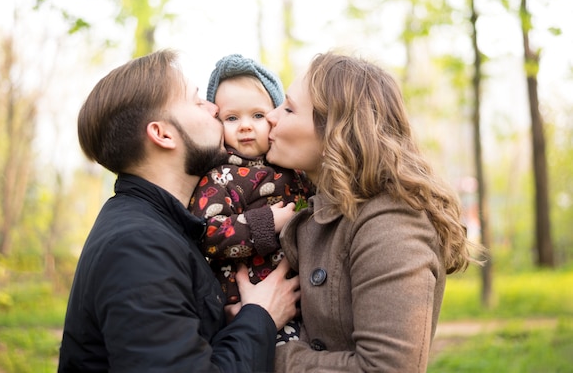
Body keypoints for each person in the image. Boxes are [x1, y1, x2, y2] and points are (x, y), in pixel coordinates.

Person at [57, 49, 300, 373]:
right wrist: (261, 316)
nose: (214, 109)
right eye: (198, 101)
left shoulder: (163, 227)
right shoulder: (137, 249)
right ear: (163, 134)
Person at [264, 51, 480, 372]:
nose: (271, 116)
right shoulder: (318, 209)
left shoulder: (392, 221)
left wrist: (260, 351)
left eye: (290, 108)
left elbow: (388, 368)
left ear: (334, 130)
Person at [188, 54, 313, 346]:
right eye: (232, 118)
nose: (245, 126)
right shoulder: (219, 177)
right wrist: (267, 223)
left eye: (257, 115)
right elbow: (208, 234)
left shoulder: (294, 168)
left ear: (275, 117)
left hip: (301, 294)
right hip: (247, 299)